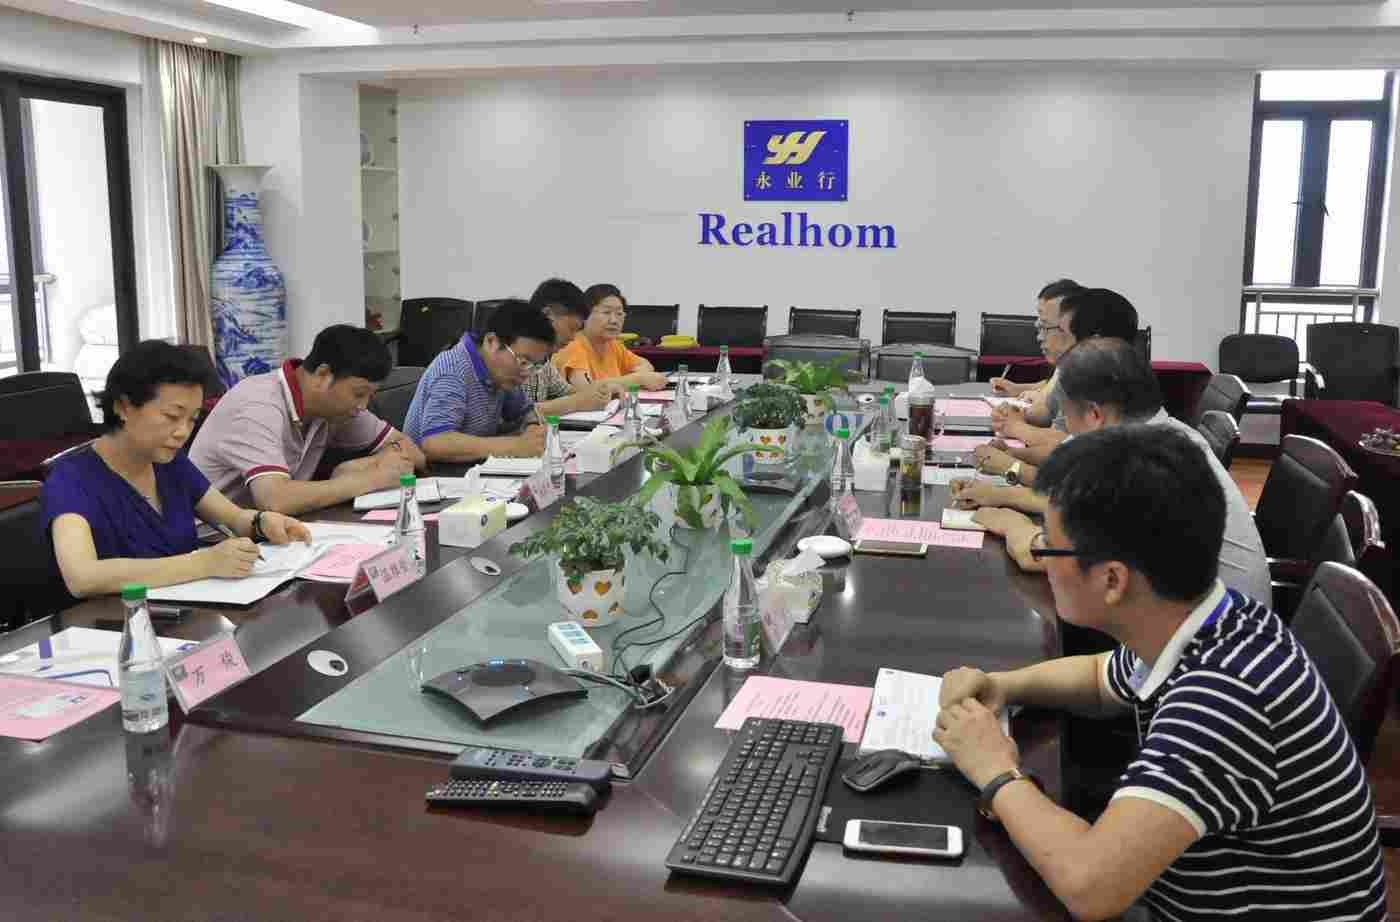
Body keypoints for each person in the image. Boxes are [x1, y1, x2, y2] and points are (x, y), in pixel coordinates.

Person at [934, 426, 1385, 922]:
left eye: (1049, 546)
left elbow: (1090, 887)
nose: (1037, 556)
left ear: (1112, 579)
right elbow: (1102, 678)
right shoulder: (1213, 617)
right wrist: (1002, 685)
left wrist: (996, 770)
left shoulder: (1223, 700)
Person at [953, 336, 1272, 604]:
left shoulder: (1146, 465)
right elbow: (1069, 502)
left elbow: (1043, 555)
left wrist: (1008, 521)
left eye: (1067, 416)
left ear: (1094, 415)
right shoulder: (1161, 435)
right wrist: (997, 494)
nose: (1066, 431)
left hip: (1207, 640)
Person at [42, 340, 312, 599]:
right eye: (172, 416)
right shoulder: (71, 479)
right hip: (114, 621)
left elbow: (234, 518)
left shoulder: (170, 463)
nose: (183, 432)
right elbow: (83, 577)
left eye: (192, 419)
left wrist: (262, 522)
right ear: (123, 407)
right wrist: (204, 563)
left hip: (185, 611)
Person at [190, 325, 424, 516]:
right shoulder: (257, 405)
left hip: (272, 534)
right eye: (359, 394)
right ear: (323, 375)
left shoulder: (335, 409)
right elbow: (275, 500)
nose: (362, 406)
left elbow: (414, 453)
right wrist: (372, 478)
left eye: (369, 396)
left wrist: (365, 464)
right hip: (212, 541)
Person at [978, 286, 1139, 477]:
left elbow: (1069, 478)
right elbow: (1069, 450)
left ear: (1094, 342)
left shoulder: (1113, 392)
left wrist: (1012, 466)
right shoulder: (1099, 376)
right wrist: (1012, 454)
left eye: (1059, 330)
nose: (1042, 337)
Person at [404, 298, 555, 463]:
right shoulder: (453, 369)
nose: (527, 373)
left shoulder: (503, 374)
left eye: (535, 366)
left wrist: (532, 429)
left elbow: (525, 410)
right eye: (524, 362)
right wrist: (515, 445)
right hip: (432, 473)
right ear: (492, 342)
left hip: (473, 468)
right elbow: (435, 443)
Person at [526, 277, 624, 416]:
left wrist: (603, 391)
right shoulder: (512, 357)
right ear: (547, 315)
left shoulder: (543, 361)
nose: (573, 338)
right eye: (572, 328)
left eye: (619, 313)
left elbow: (569, 392)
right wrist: (576, 403)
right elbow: (515, 415)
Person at [552, 283, 668, 392]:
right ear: (585, 315)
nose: (614, 320)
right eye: (606, 312)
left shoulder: (612, 344)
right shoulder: (573, 344)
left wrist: (642, 374)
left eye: (619, 314)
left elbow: (645, 364)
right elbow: (585, 388)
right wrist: (638, 379)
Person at [988, 278, 1084, 408]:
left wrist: (1043, 401)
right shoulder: (1066, 363)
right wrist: (1016, 388)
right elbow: (1051, 384)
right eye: (1040, 327)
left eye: (1045, 327)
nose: (1039, 337)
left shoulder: (1086, 368)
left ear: (1071, 326)